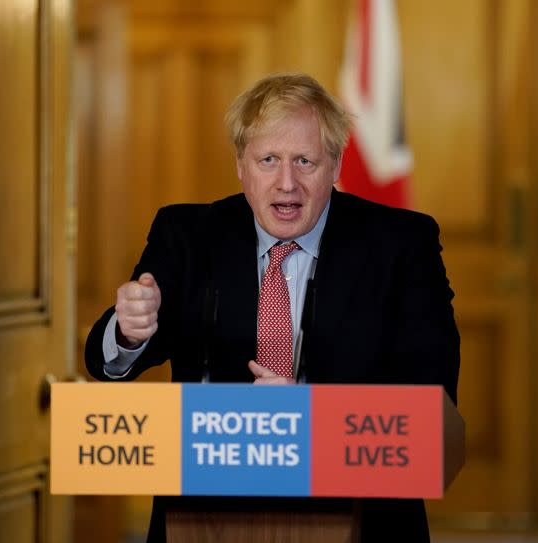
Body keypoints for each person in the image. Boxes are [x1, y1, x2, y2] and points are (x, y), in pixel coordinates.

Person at [85, 72, 460, 542]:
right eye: (268, 160)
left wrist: (311, 420)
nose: (287, 183)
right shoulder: (188, 236)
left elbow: (432, 403)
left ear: (336, 164)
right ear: (241, 165)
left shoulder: (402, 245)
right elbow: (104, 363)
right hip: (206, 522)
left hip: (364, 519)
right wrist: (128, 331)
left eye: (306, 161)